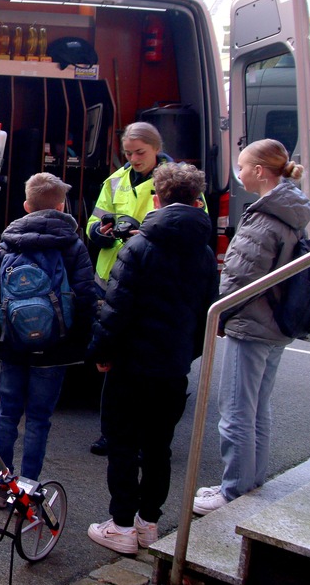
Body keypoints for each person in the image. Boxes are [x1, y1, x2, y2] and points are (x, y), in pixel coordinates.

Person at [85, 162, 218, 554]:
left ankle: (121, 524)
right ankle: (148, 522)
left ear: (156, 199)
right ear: (197, 202)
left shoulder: (138, 247)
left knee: (123, 445)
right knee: (159, 447)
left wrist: (101, 353)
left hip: (131, 365)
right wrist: (185, 354)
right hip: (173, 366)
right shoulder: (206, 253)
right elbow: (205, 314)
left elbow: (116, 309)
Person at [193, 139, 310, 515]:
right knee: (258, 406)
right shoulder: (292, 207)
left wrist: (220, 314)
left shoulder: (264, 215)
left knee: (236, 410)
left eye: (242, 167)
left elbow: (240, 275)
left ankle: (234, 490)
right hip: (276, 321)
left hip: (253, 322)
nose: (238, 174)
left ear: (260, 171)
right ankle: (250, 480)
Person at [0, 172, 97, 503]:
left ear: (26, 206)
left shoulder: (7, 243)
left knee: (7, 412)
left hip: (13, 344)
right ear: (61, 206)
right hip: (56, 346)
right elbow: (86, 296)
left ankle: (0, 485)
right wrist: (81, 342)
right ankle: (28, 488)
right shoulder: (73, 245)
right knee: (39, 419)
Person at [85, 122, 180, 456]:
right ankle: (110, 433)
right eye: (128, 153)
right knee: (112, 364)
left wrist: (147, 233)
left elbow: (191, 225)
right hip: (112, 279)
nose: (134, 158)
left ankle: (139, 436)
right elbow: (92, 222)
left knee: (142, 365)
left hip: (149, 280)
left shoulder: (175, 181)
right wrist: (102, 231)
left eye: (140, 152)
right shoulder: (115, 180)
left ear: (156, 147)